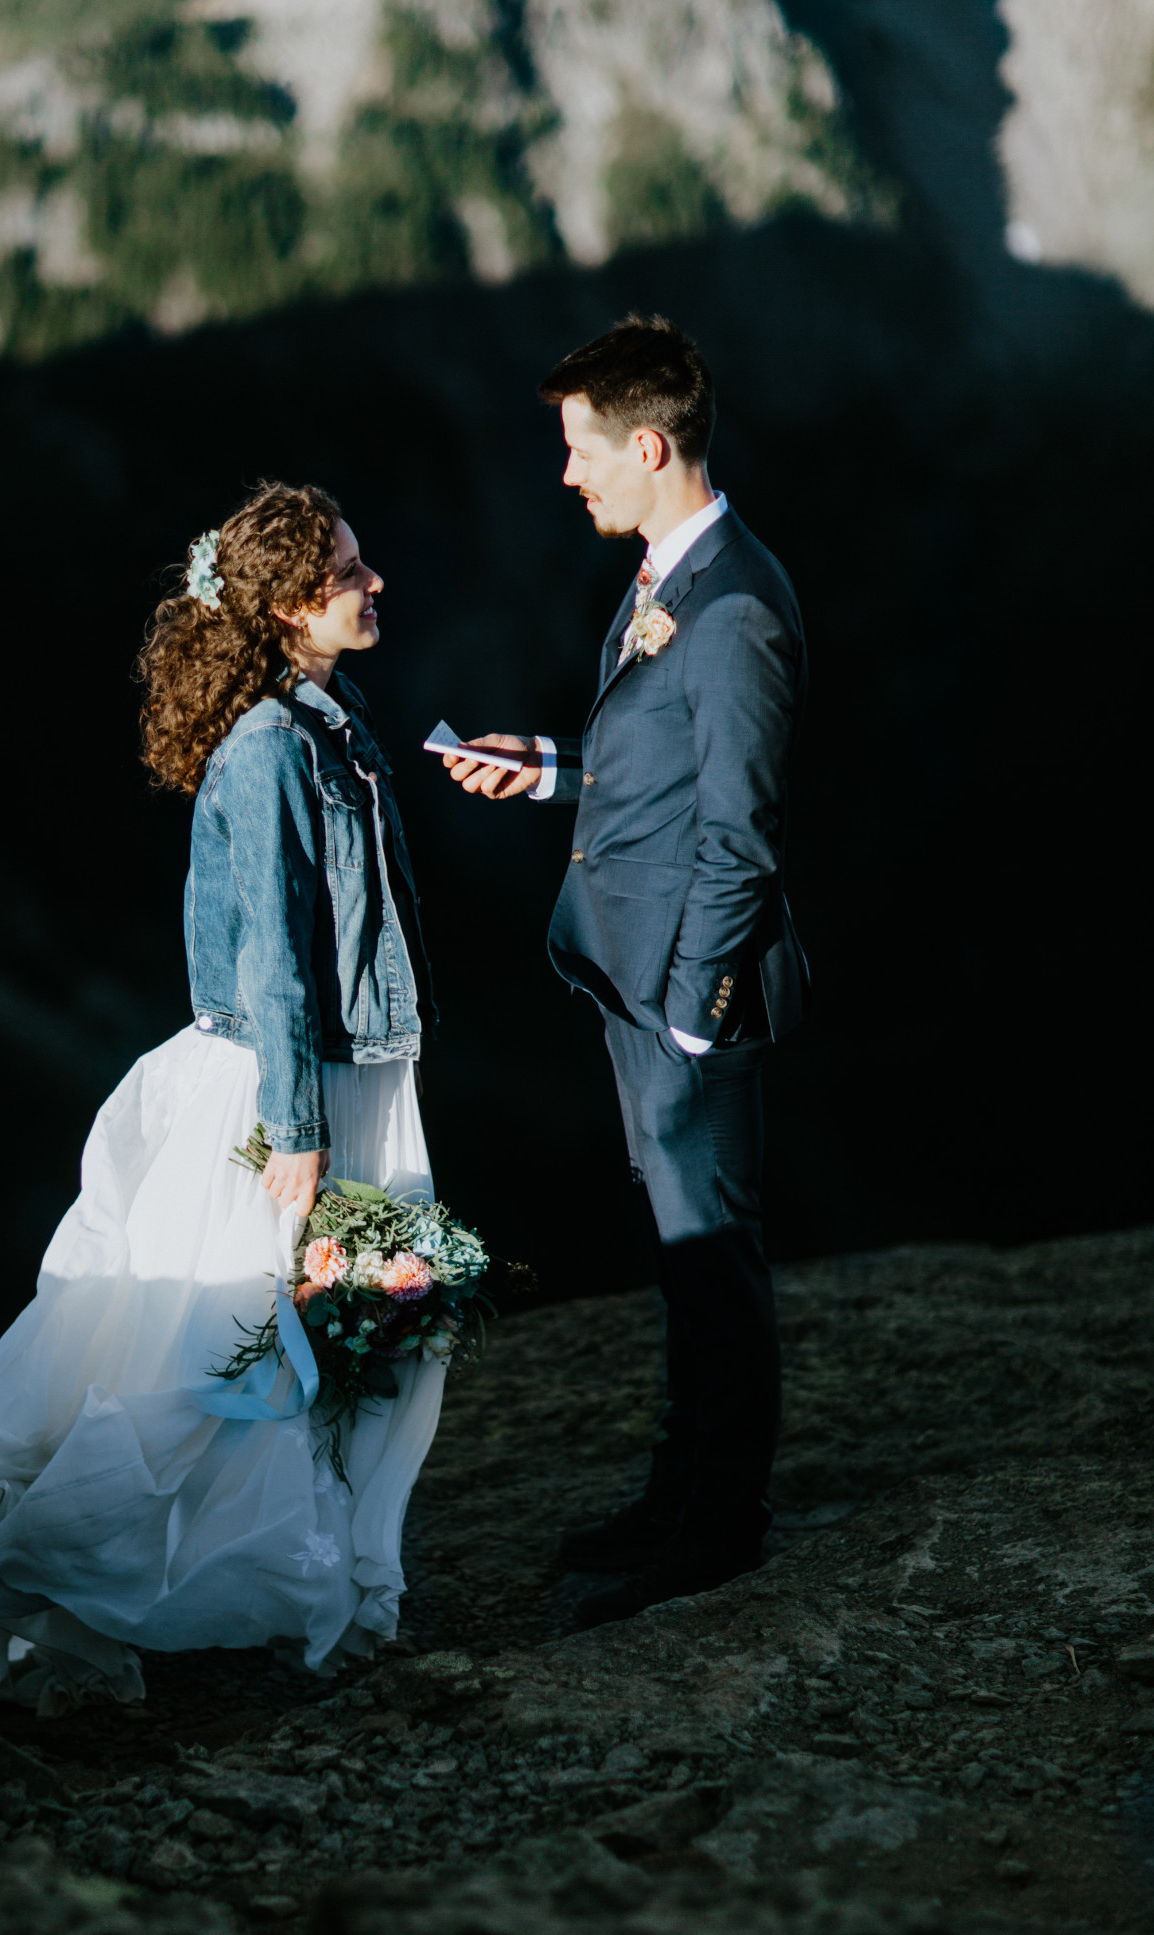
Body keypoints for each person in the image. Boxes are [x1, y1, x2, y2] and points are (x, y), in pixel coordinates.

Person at [0, 481, 443, 1712]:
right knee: (241, 1358)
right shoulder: (271, 748)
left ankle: (299, 1578)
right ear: (284, 608)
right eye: (345, 571)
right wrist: (297, 1131)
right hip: (287, 1087)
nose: (371, 581)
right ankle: (54, 1575)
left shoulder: (326, 715)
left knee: (331, 1343)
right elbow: (274, 954)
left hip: (339, 1066)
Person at [445, 314, 809, 1625]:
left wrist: (694, 1015)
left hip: (686, 1002)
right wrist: (549, 771)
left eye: (579, 450)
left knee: (714, 1257)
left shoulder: (734, 613)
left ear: (647, 446)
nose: (566, 474)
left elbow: (741, 837)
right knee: (683, 1250)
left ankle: (715, 1526)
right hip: (643, 986)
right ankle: (680, 1492)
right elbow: (666, 773)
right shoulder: (672, 576)